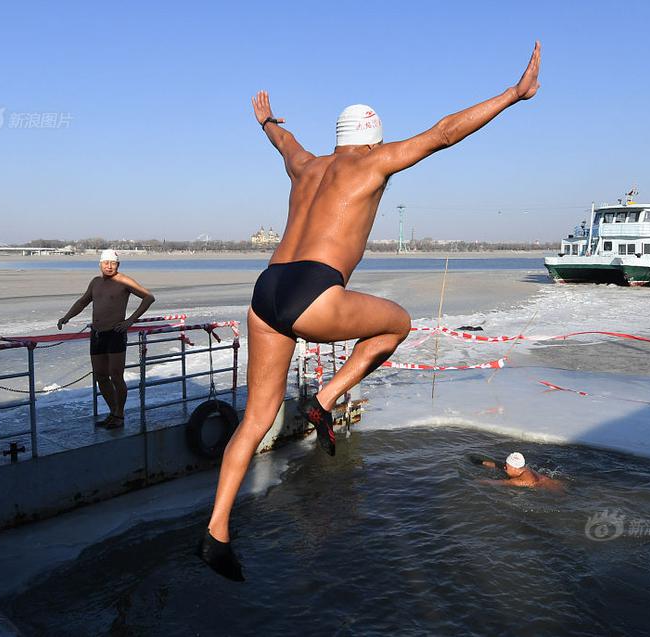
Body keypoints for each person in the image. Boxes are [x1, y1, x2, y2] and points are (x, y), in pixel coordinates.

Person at [199, 42, 542, 581]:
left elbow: (285, 143)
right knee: (398, 324)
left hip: (266, 291)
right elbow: (445, 132)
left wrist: (265, 120)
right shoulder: (377, 161)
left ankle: (216, 532)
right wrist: (513, 95)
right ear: (374, 137)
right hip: (314, 288)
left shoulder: (307, 165)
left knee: (255, 422)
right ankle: (327, 397)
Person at [57, 249, 155, 428]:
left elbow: (149, 297)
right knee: (101, 376)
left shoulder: (123, 281)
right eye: (105, 263)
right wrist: (67, 317)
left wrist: (130, 321)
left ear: (118, 265)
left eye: (113, 263)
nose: (109, 266)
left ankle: (120, 415)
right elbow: (82, 302)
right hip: (97, 334)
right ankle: (113, 411)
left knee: (116, 376)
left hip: (115, 333)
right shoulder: (95, 282)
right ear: (100, 264)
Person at [480, 452, 565, 492]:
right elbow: (500, 465)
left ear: (515, 468)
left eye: (507, 466)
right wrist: (481, 462)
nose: (504, 467)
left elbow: (493, 482)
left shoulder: (519, 481)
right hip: (557, 483)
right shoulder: (523, 468)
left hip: (555, 492)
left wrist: (471, 482)